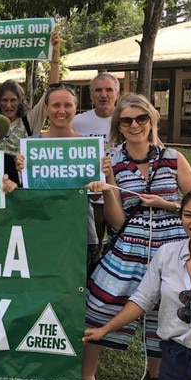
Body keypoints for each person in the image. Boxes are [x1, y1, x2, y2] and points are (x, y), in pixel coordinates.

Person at [67, 93, 191, 380]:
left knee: (165, 310)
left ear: (151, 120)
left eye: (141, 118)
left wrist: (166, 204)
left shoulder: (172, 157)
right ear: (119, 125)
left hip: (173, 247)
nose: (135, 125)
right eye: (126, 120)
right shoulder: (111, 160)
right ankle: (87, 377)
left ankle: (158, 373)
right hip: (129, 245)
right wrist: (109, 181)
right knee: (99, 304)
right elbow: (116, 220)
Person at [83, 188, 191, 380]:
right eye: (188, 215)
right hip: (174, 356)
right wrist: (104, 330)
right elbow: (143, 299)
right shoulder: (167, 254)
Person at [17, 84, 100, 277]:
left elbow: (95, 198)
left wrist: (103, 175)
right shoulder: (31, 147)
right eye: (55, 105)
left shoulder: (88, 147)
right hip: (41, 234)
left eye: (67, 105)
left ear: (75, 108)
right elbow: (26, 197)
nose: (61, 111)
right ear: (45, 108)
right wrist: (21, 172)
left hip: (81, 236)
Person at [0, 31, 61, 154]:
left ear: (20, 102)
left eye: (13, 100)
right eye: (4, 100)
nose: (8, 105)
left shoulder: (29, 121)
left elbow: (52, 92)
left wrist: (55, 57)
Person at [72, 72, 121, 248]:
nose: (103, 95)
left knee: (120, 245)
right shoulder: (77, 122)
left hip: (120, 193)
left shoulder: (128, 120)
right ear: (91, 95)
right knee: (93, 248)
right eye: (98, 90)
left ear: (117, 94)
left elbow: (155, 145)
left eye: (109, 90)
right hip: (91, 196)